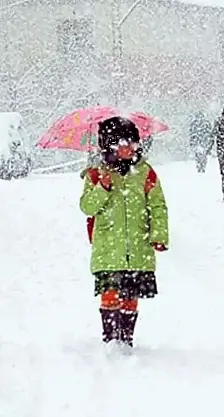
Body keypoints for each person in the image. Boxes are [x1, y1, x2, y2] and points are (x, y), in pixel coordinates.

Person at [79, 116, 169, 350]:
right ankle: (111, 340)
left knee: (130, 295)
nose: (129, 148)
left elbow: (157, 205)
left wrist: (158, 235)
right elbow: (87, 207)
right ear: (109, 146)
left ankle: (126, 339)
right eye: (122, 143)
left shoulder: (145, 172)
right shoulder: (96, 174)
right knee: (110, 293)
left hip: (138, 247)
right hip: (108, 248)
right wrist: (103, 187)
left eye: (132, 142)